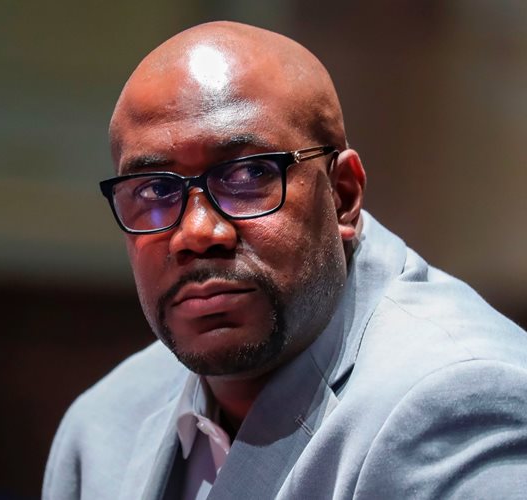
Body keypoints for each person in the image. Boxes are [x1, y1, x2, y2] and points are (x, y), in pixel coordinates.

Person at [43, 21, 527, 499]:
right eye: (154, 189)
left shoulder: (459, 404)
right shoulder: (102, 430)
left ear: (342, 195)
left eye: (249, 174)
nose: (197, 232)